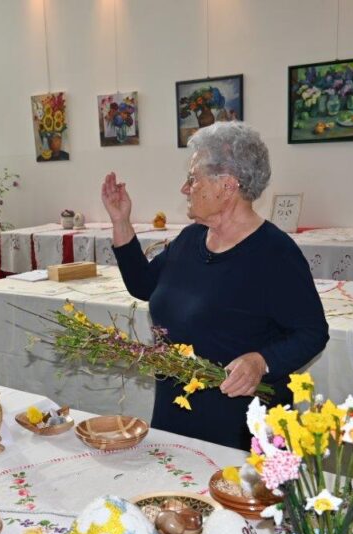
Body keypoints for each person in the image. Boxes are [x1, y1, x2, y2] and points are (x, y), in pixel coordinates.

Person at [101, 121, 328, 449]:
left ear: (227, 184)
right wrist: (120, 221)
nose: (185, 188)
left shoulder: (274, 253)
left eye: (193, 178)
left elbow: (312, 332)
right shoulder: (190, 239)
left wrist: (260, 361)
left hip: (238, 424)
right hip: (176, 411)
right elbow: (144, 286)